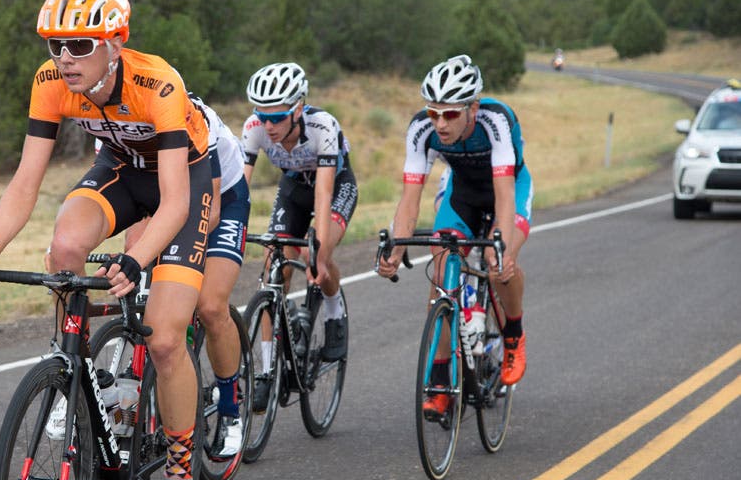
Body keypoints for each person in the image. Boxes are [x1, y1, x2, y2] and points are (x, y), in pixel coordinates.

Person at [0, 0, 212, 480]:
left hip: (182, 182)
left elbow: (175, 202)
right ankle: (72, 368)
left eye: (78, 45)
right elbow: (26, 181)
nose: (64, 58)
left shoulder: (157, 82)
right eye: (53, 46)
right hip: (120, 172)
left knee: (164, 339)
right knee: (65, 248)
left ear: (113, 45)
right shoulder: (51, 83)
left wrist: (138, 259)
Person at [377, 54, 532, 420]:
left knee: (498, 263)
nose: (440, 123)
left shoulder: (497, 121)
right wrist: (396, 248)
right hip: (461, 194)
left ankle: (513, 334)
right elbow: (410, 200)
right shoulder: (421, 129)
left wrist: (503, 244)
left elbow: (506, 194)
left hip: (506, 190)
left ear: (472, 108)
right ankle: (441, 378)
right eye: (433, 113)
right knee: (442, 264)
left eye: (449, 114)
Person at [111, 95, 252, 457]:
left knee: (209, 304)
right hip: (163, 198)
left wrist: (177, 263)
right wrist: (137, 259)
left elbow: (212, 211)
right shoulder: (119, 125)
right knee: (141, 283)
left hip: (223, 200)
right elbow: (139, 220)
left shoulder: (198, 121)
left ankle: (230, 409)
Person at [240, 62, 357, 411]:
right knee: (272, 267)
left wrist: (317, 247)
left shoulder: (324, 126)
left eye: (277, 117)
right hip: (292, 188)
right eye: (263, 116)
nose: (269, 125)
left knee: (314, 255)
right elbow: (239, 189)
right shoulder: (254, 128)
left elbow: (323, 193)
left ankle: (335, 312)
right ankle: (265, 369)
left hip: (334, 188)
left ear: (298, 108)